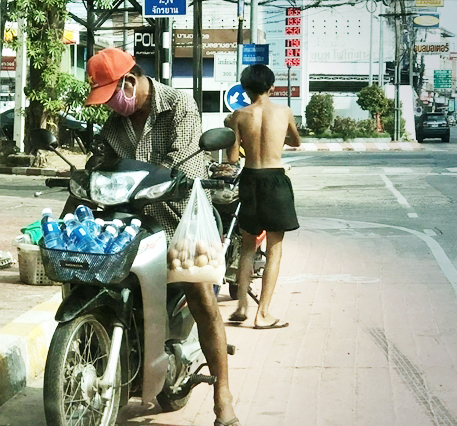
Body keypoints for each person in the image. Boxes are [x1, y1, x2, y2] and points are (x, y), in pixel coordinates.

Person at [83, 47, 240, 426]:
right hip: (131, 221)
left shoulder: (181, 107)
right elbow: (101, 163)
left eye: (112, 96)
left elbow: (176, 161)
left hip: (178, 219)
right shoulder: (113, 125)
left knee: (201, 296)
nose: (110, 106)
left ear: (130, 81)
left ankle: (223, 394)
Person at [224, 64, 301, 330]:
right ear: (271, 88)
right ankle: (263, 314)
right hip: (275, 180)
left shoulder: (239, 115)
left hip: (250, 178)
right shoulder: (284, 111)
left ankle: (242, 306)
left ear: (245, 89)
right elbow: (296, 141)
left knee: (247, 246)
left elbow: (232, 158)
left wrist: (231, 129)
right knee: (274, 249)